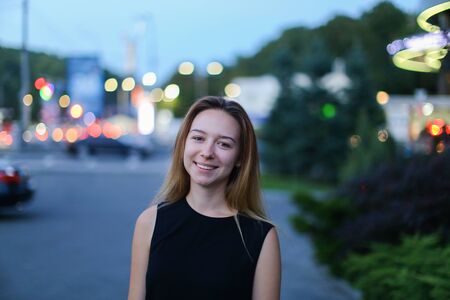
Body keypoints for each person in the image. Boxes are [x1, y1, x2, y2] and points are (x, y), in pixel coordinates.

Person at [128, 96, 281, 300]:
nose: (207, 152)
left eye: (224, 144)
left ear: (240, 158)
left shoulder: (261, 236)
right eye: (198, 138)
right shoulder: (150, 222)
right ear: (183, 144)